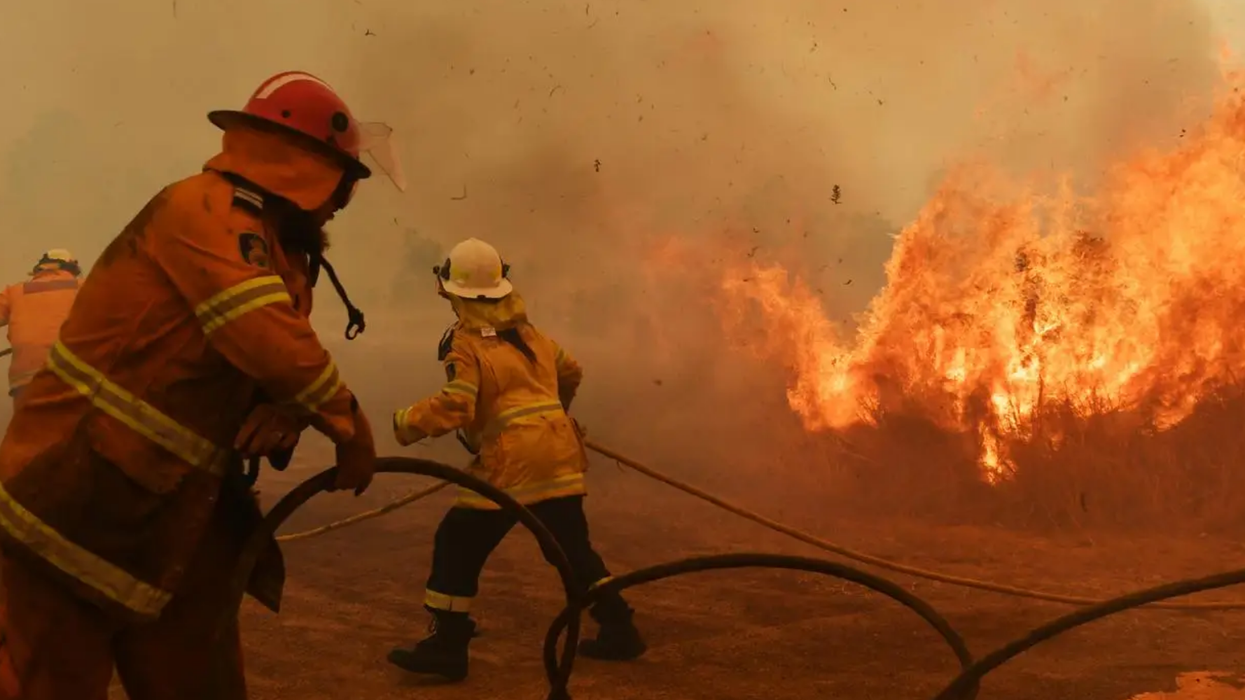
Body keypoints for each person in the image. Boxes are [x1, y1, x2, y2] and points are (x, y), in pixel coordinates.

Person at [0, 70, 394, 700]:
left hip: (176, 521)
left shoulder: (277, 251)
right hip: (74, 509)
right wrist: (348, 425)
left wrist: (286, 408)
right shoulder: (204, 211)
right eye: (342, 189)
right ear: (316, 175)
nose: (340, 207)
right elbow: (263, 331)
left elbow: (268, 359)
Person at [387, 237, 647, 682]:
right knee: (572, 548)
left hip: (510, 465)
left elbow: (458, 404)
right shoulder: (531, 335)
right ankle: (619, 627)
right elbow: (572, 370)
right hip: (559, 453)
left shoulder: (465, 344)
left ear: (451, 291)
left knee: (457, 543)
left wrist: (407, 422)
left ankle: (448, 647)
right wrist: (555, 411)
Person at [0, 249, 82, 403]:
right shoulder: (84, 287)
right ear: (73, 269)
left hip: (26, 378)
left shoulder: (15, 291)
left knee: (29, 427)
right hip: (73, 374)